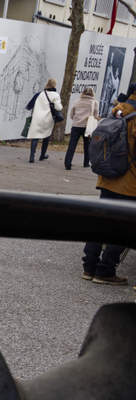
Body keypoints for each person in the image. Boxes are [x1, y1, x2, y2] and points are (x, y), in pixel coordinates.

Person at [82, 83, 136, 286]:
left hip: (108, 177)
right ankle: (105, 270)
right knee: (124, 227)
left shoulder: (119, 110)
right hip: (129, 182)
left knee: (102, 222)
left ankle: (89, 267)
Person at [25, 78, 62, 163]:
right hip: (48, 119)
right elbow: (58, 107)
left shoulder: (39, 94)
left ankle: (31, 156)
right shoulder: (55, 95)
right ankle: (42, 155)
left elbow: (29, 106)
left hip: (37, 118)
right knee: (46, 136)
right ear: (54, 85)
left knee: (35, 137)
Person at [64, 88, 100, 170]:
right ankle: (86, 163)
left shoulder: (77, 101)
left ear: (83, 92)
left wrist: (76, 119)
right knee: (87, 145)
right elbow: (95, 115)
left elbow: (71, 114)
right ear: (92, 94)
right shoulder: (94, 102)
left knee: (72, 145)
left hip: (76, 126)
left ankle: (67, 163)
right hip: (87, 127)